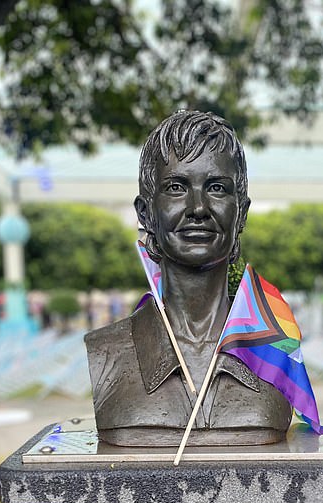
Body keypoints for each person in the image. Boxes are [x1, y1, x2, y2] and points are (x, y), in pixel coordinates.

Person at [85, 110, 292, 447]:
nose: (198, 208)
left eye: (216, 188)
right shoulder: (106, 351)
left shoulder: (276, 355)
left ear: (242, 213)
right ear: (146, 213)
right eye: (177, 187)